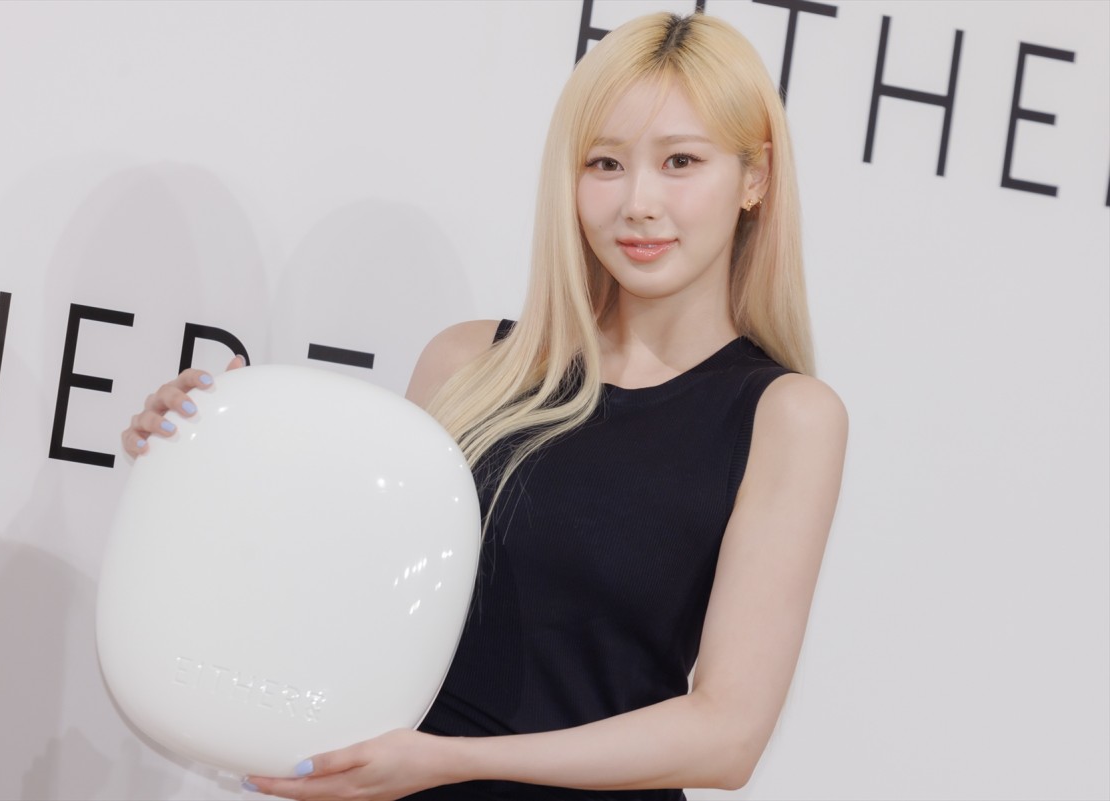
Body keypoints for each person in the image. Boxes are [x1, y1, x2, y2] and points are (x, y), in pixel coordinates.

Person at [121, 12, 846, 801]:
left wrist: (453, 760)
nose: (639, 202)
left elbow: (726, 737)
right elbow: (340, 593)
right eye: (605, 163)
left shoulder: (785, 418)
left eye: (680, 162)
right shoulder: (470, 364)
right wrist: (212, 448)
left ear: (754, 178)